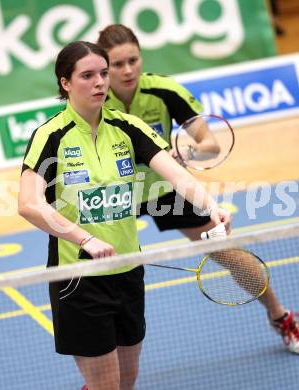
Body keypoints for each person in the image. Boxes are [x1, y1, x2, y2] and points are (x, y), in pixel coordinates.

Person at [18, 41, 231, 390]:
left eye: (103, 73)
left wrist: (212, 206)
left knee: (126, 383)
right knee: (108, 385)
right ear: (66, 83)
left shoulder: (127, 127)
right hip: (79, 276)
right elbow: (28, 203)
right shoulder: (51, 135)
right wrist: (84, 238)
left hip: (128, 272)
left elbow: (176, 175)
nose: (100, 82)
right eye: (87, 75)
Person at [97, 24, 299, 354]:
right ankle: (104, 367)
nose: (128, 69)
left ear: (141, 56)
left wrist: (184, 154)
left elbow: (210, 145)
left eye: (133, 60)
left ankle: (281, 317)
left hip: (168, 188)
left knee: (230, 254)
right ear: (105, 66)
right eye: (117, 64)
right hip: (119, 194)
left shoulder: (163, 91)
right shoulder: (97, 99)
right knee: (102, 276)